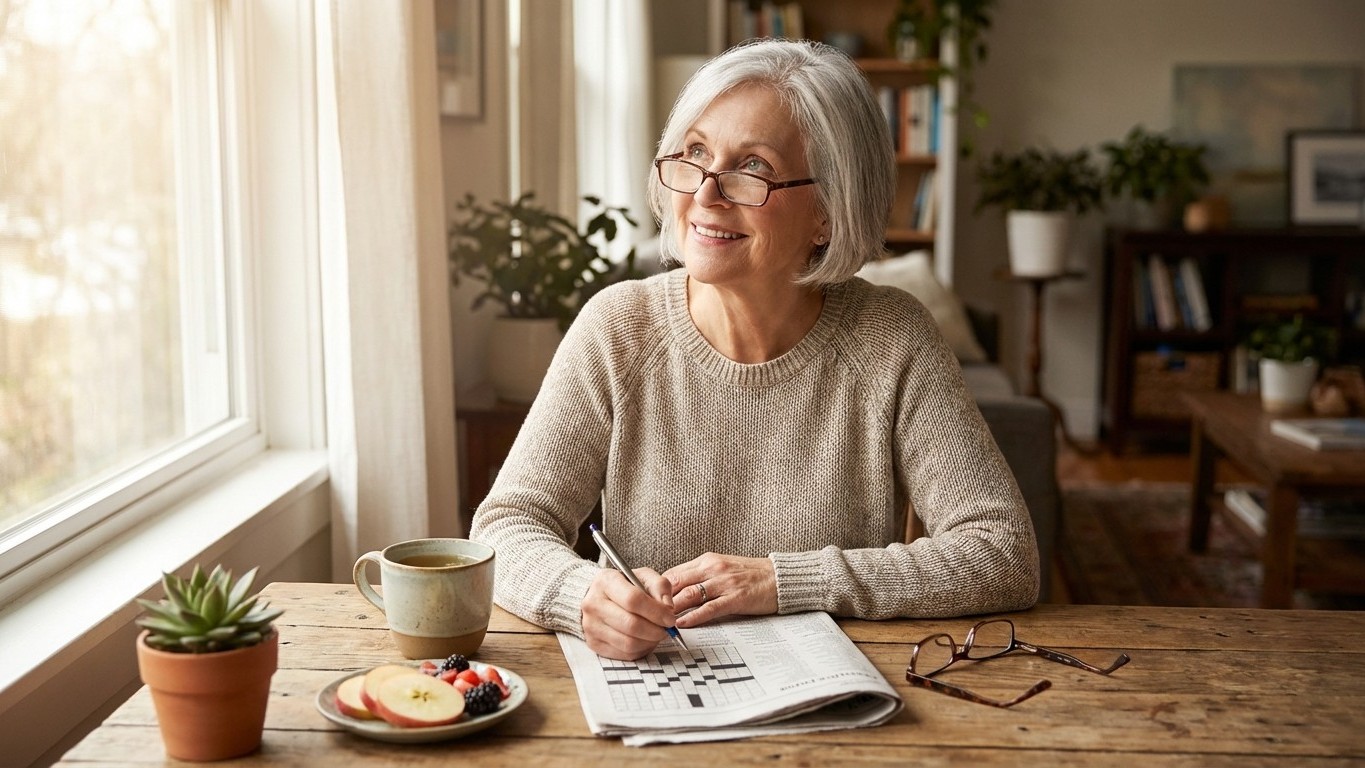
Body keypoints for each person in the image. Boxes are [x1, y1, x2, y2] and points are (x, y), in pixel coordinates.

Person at [470, 38, 1038, 661]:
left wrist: (781, 581)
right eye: (695, 152)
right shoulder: (618, 328)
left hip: (832, 693)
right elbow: (506, 526)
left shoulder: (893, 338)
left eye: (753, 167)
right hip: (660, 681)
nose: (705, 195)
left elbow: (1003, 552)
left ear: (828, 211)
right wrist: (581, 593)